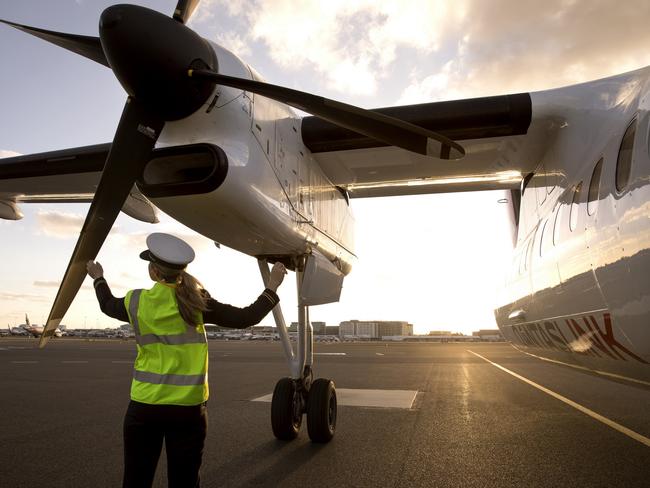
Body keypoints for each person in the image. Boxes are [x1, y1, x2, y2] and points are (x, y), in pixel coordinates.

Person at [86, 232, 287, 488]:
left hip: (144, 406)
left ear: (153, 271)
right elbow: (246, 317)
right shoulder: (197, 301)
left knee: (136, 479)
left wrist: (98, 278)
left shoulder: (136, 302)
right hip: (187, 410)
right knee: (185, 481)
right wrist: (272, 285)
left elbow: (106, 305)